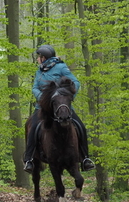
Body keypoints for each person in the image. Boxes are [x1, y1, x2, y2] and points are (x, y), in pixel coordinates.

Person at [23, 45, 95, 173]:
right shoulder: (39, 71)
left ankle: (85, 159)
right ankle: (29, 160)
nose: (38, 59)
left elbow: (75, 82)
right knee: (32, 128)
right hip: (43, 107)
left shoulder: (61, 67)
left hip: (62, 107)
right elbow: (34, 88)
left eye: (39, 57)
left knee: (80, 127)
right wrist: (43, 98)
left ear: (44, 57)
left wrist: (68, 96)